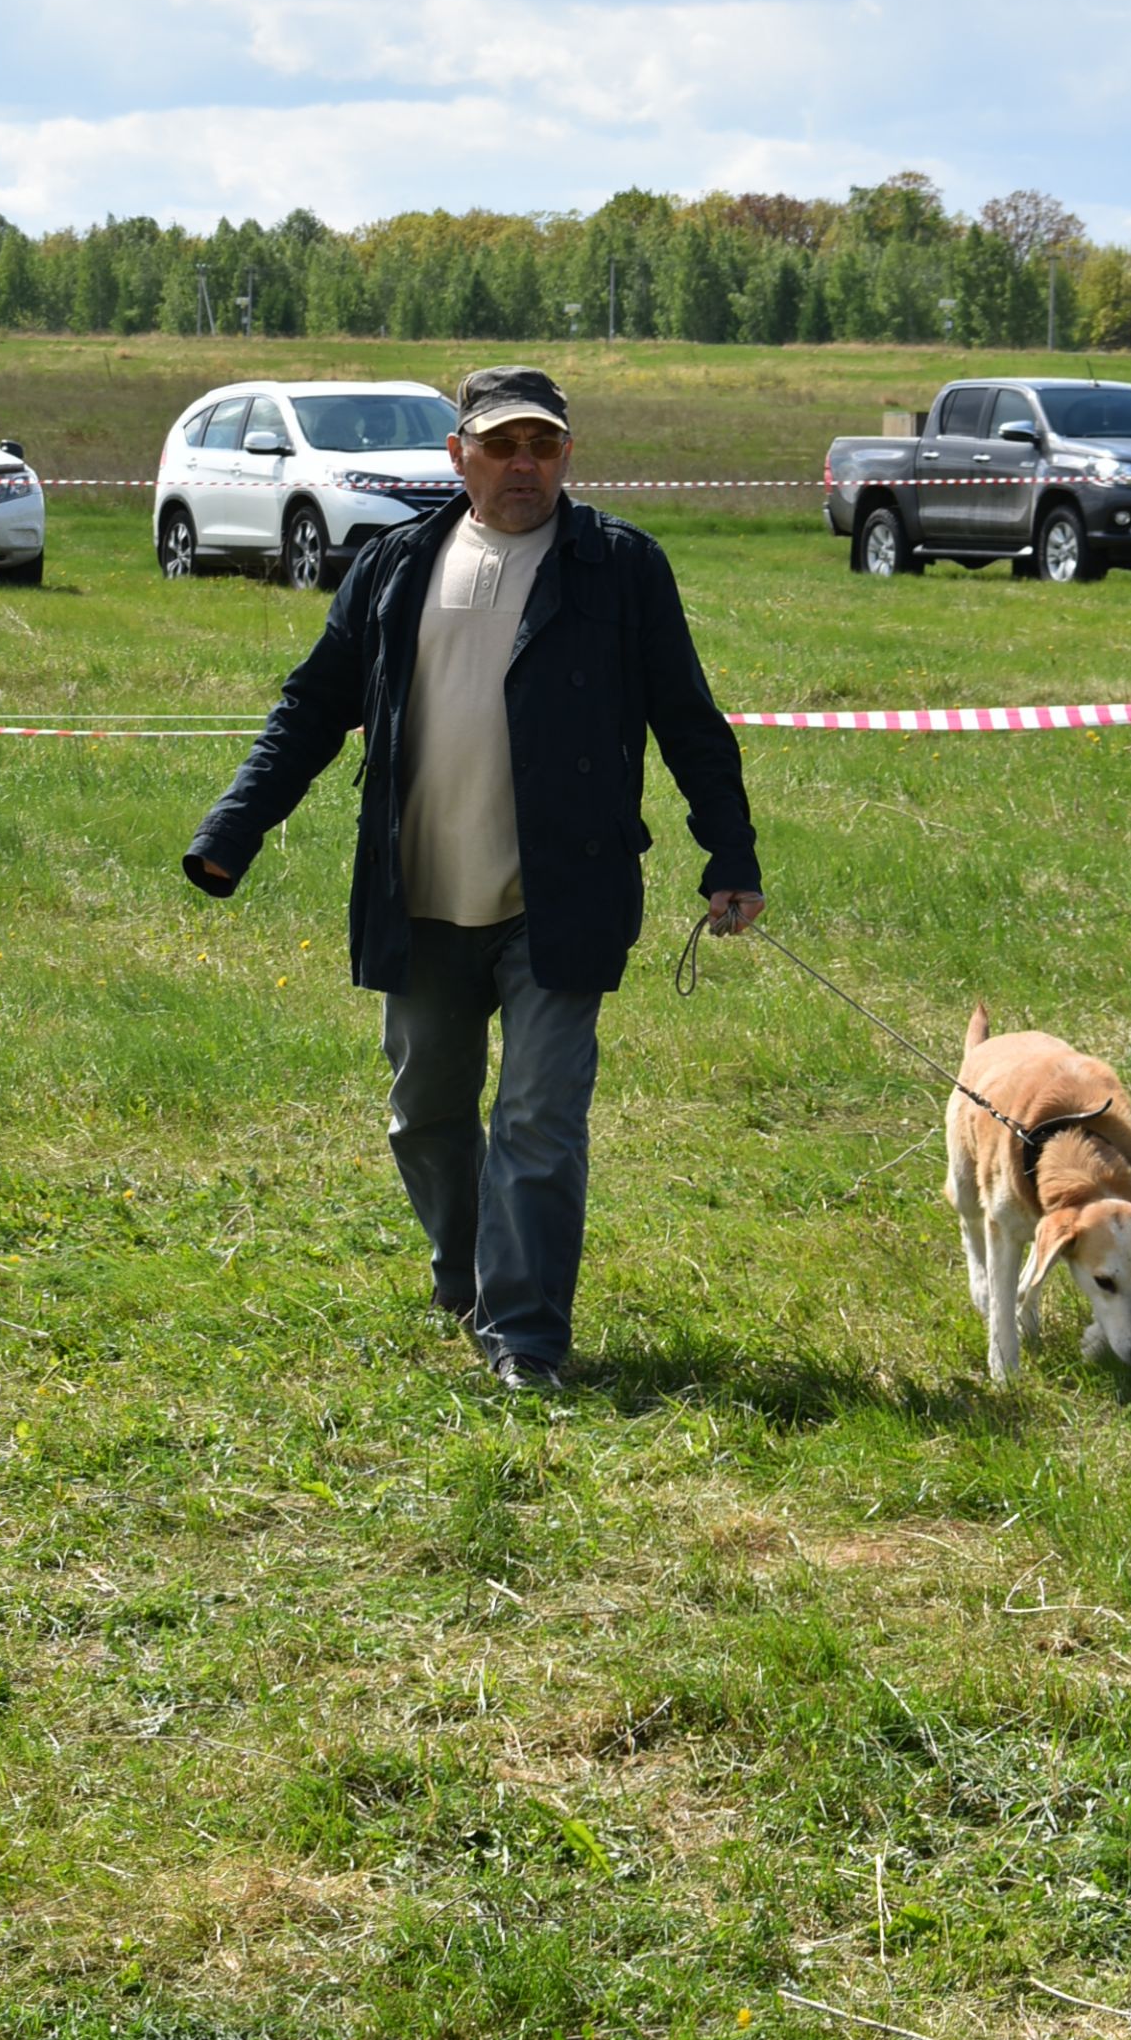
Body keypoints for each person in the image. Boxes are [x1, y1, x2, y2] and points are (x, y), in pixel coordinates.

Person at [184, 365, 764, 1392]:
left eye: (543, 444)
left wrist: (731, 853)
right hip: (419, 891)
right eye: (502, 445)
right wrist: (236, 824)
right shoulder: (397, 563)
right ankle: (466, 1276)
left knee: (539, 1118)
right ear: (460, 455)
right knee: (427, 1112)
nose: (524, 464)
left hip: (562, 897)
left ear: (569, 455)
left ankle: (527, 1334)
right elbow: (313, 706)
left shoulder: (620, 568)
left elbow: (688, 718)